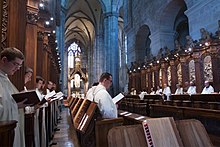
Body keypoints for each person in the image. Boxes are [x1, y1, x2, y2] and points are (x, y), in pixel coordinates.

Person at [0, 47, 25, 147]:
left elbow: (8, 102)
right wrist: (15, 106)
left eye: (19, 66)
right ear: (4, 60)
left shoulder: (5, 78)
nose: (18, 68)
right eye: (16, 64)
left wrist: (17, 105)